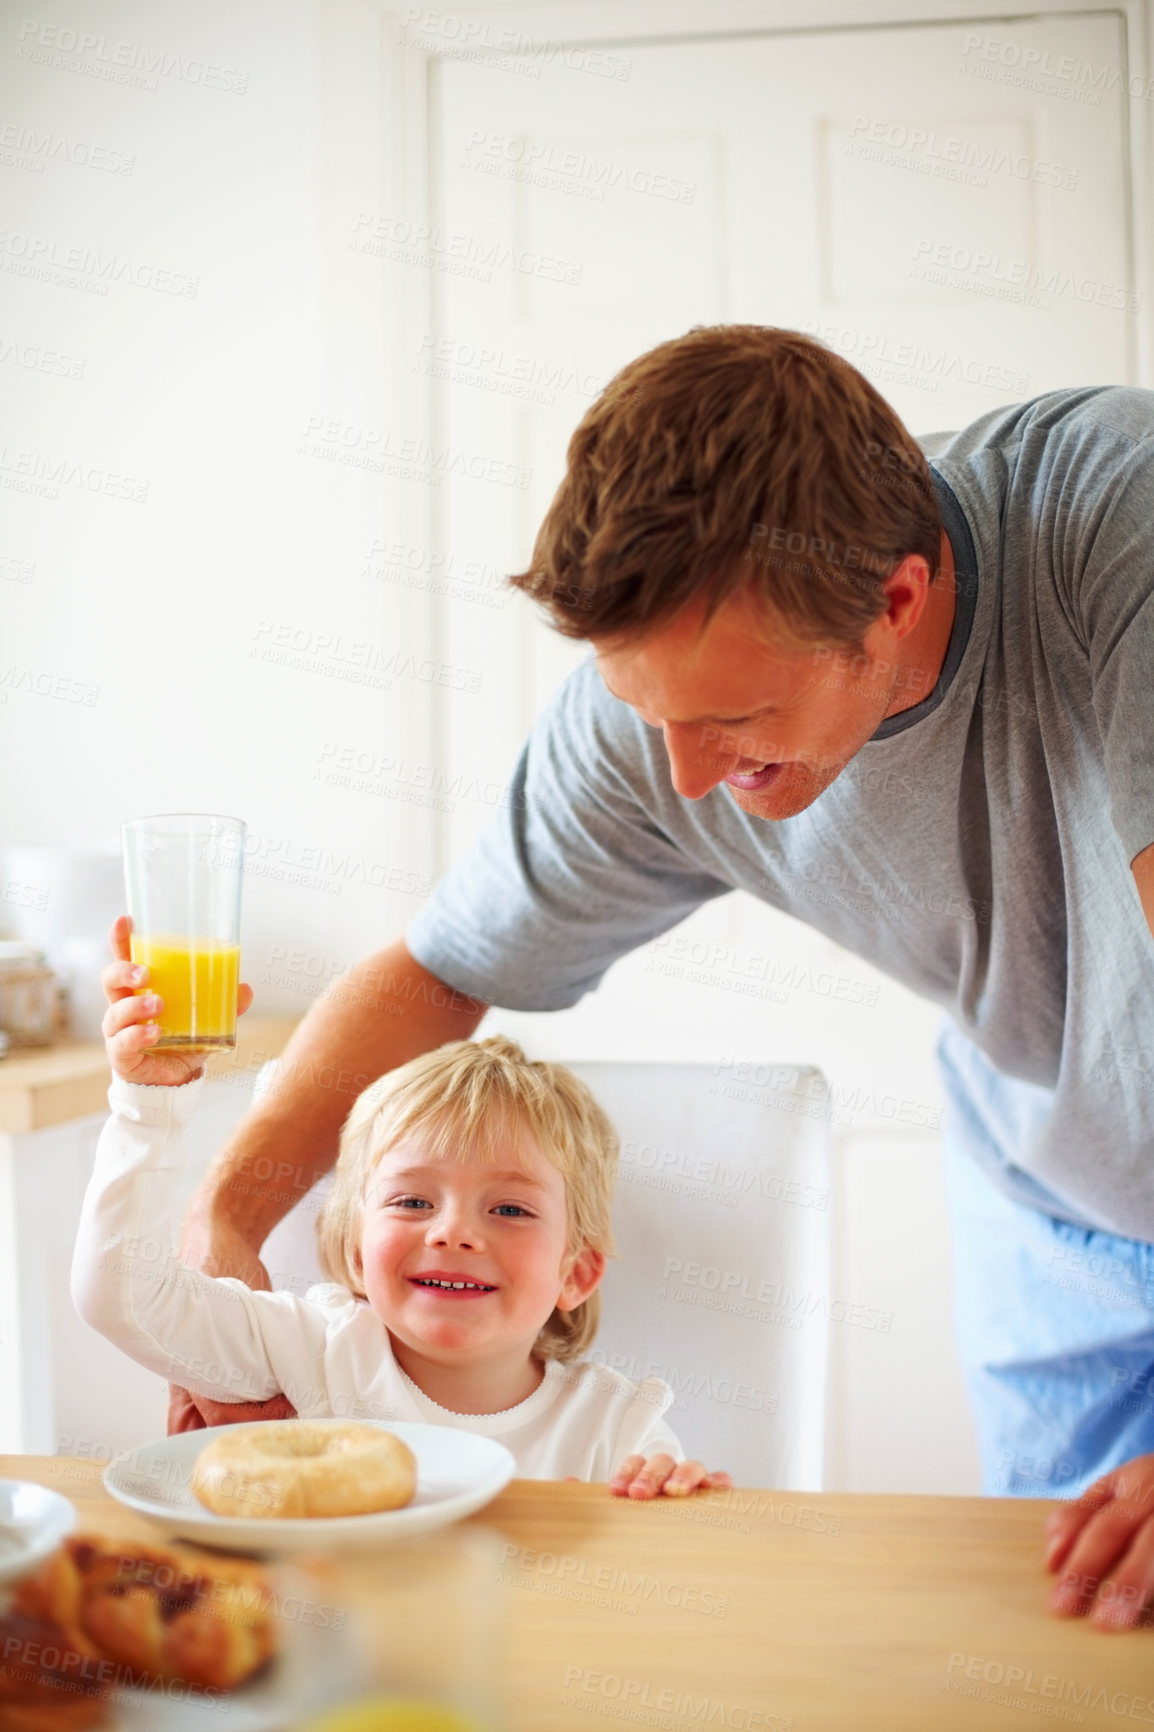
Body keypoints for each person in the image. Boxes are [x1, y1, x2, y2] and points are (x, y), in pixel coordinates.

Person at [115, 324, 1154, 1626]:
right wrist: (227, 1217)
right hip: (1051, 1188)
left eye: (731, 721)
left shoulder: (1120, 540)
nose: (682, 781)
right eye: (649, 717)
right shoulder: (650, 730)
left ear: (892, 601)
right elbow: (442, 972)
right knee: (1081, 1643)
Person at [75, 989, 732, 1496]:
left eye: (509, 1208)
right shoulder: (307, 1351)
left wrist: (677, 1500)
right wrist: (148, 1108)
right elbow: (120, 1296)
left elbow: (674, 1562)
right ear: (356, 1249)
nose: (451, 1231)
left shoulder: (616, 1429)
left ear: (577, 1274)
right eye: (413, 1202)